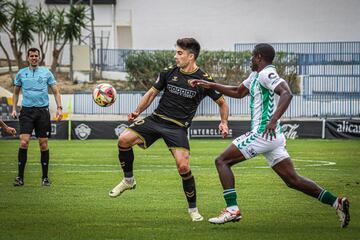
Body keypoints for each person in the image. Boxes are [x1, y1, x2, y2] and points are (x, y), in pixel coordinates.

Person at [190, 43, 350, 228]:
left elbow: (287, 93)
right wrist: (211, 84)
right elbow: (238, 91)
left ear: (258, 57)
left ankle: (232, 209)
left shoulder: (267, 73)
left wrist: (273, 120)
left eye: (252, 56)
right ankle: (336, 202)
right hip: (272, 138)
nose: (250, 60)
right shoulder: (255, 75)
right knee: (292, 180)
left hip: (262, 134)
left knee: (222, 161)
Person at [109, 38, 229, 222]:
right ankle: (128, 181)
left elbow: (222, 103)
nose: (176, 56)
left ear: (191, 56)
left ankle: (193, 210)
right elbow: (151, 94)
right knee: (123, 139)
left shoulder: (204, 80)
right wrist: (137, 111)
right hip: (156, 120)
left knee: (183, 166)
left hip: (178, 128)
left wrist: (224, 122)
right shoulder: (168, 73)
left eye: (179, 53)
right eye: (176, 52)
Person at [11, 47, 63, 187]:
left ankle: (45, 178)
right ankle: (20, 178)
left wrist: (59, 108)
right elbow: (15, 93)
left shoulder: (46, 73)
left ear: (39, 58)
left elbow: (56, 92)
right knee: (23, 142)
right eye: (31, 56)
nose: (34, 58)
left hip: (42, 112)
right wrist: (14, 109)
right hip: (26, 112)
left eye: (36, 56)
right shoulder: (21, 74)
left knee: (43, 144)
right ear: (27, 58)